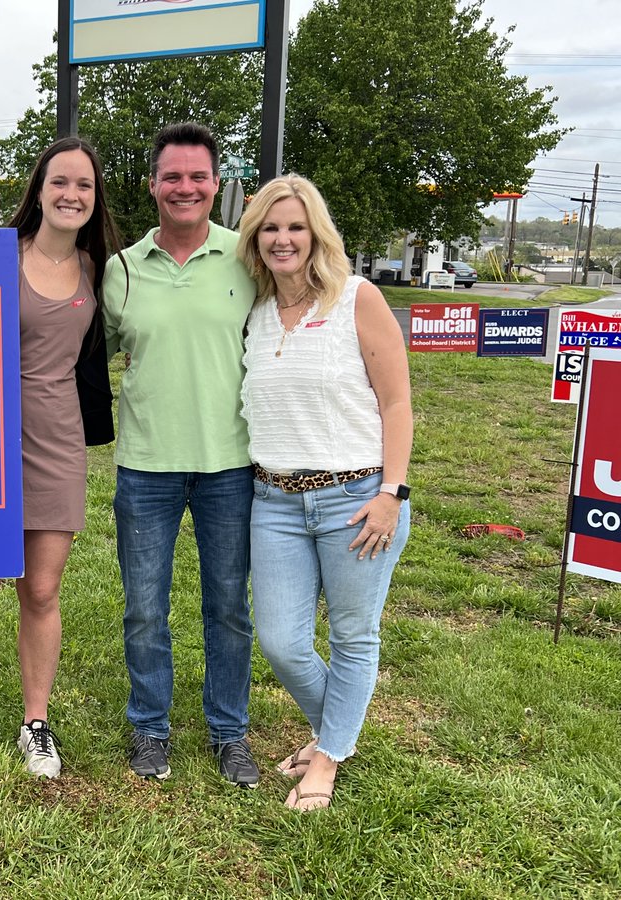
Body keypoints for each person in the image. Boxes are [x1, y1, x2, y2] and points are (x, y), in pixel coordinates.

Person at [0, 137, 124, 778]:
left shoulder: (103, 272)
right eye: (61, 182)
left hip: (59, 444)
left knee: (41, 590)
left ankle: (34, 723)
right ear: (39, 189)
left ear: (94, 200)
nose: (72, 194)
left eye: (85, 186)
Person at [236, 174, 413, 810]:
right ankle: (338, 730)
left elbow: (397, 401)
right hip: (274, 501)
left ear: (317, 234)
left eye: (296, 227)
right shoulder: (253, 311)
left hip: (356, 498)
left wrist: (392, 491)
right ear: (256, 238)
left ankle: (329, 755)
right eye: (271, 228)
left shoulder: (356, 298)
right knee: (281, 642)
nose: (283, 239)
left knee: (352, 636)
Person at [101, 122, 259, 787]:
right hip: (145, 465)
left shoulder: (249, 259)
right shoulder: (122, 269)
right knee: (144, 608)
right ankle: (150, 729)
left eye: (198, 176)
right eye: (173, 176)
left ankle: (229, 732)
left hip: (231, 464)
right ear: (153, 186)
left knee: (227, 606)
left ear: (216, 185)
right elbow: (80, 357)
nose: (185, 187)